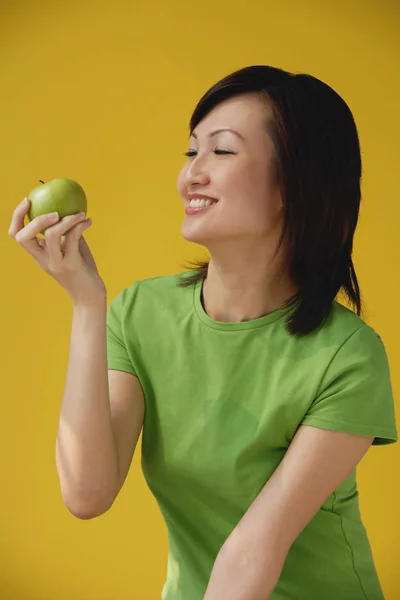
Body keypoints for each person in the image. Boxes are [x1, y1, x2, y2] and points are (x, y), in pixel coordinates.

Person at [9, 65, 398, 600]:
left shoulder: (347, 356)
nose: (190, 174)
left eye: (222, 151)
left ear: (293, 183)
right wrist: (86, 303)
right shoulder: (142, 313)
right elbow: (86, 491)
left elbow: (251, 552)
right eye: (192, 152)